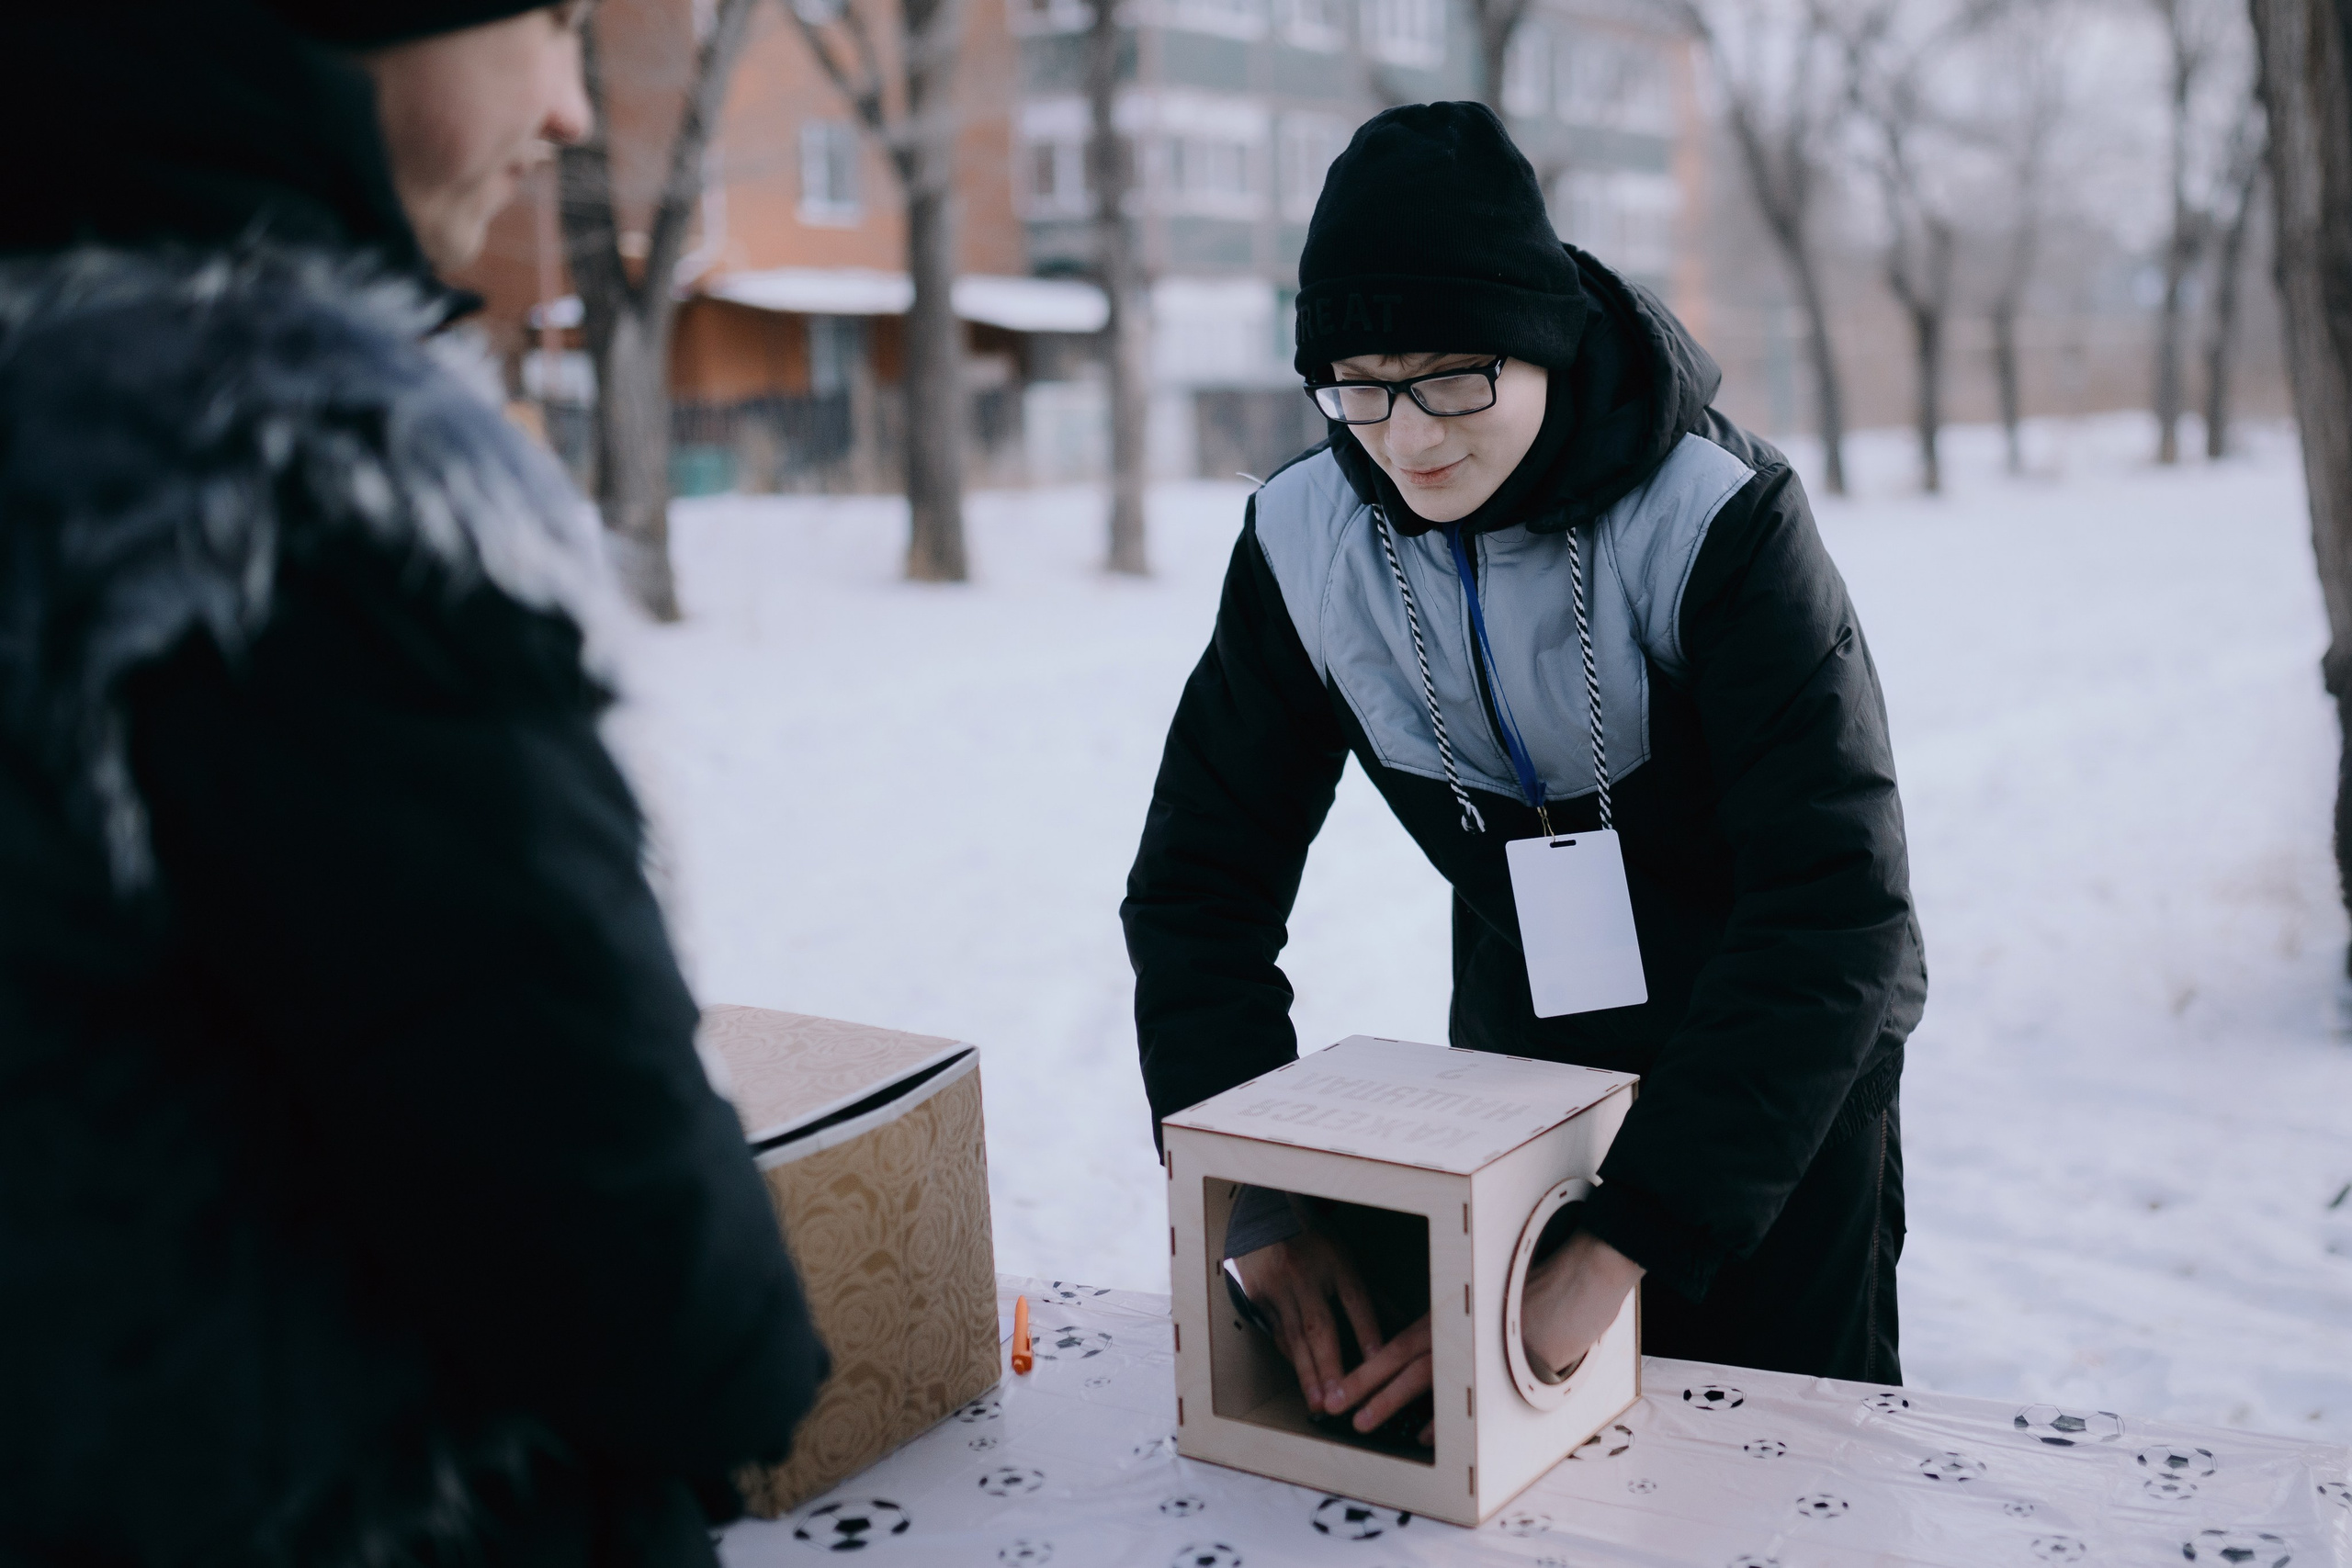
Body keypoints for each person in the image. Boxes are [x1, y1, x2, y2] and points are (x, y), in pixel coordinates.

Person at [0, 4, 829, 1563]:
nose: (569, 108)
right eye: (546, 24)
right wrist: (748, 1373)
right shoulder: (287, 483)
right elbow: (615, 1232)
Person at [1123, 103, 1924, 1443]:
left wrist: (1622, 1250)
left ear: (1541, 340)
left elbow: (1835, 907)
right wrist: (1248, 1194)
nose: (1407, 436)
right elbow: (1201, 886)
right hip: (1528, 1076)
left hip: (1785, 1084)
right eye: (1359, 384)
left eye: (1452, 377)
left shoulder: (1719, 517)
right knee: (1543, 1480)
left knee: (1781, 1468)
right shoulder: (1303, 545)